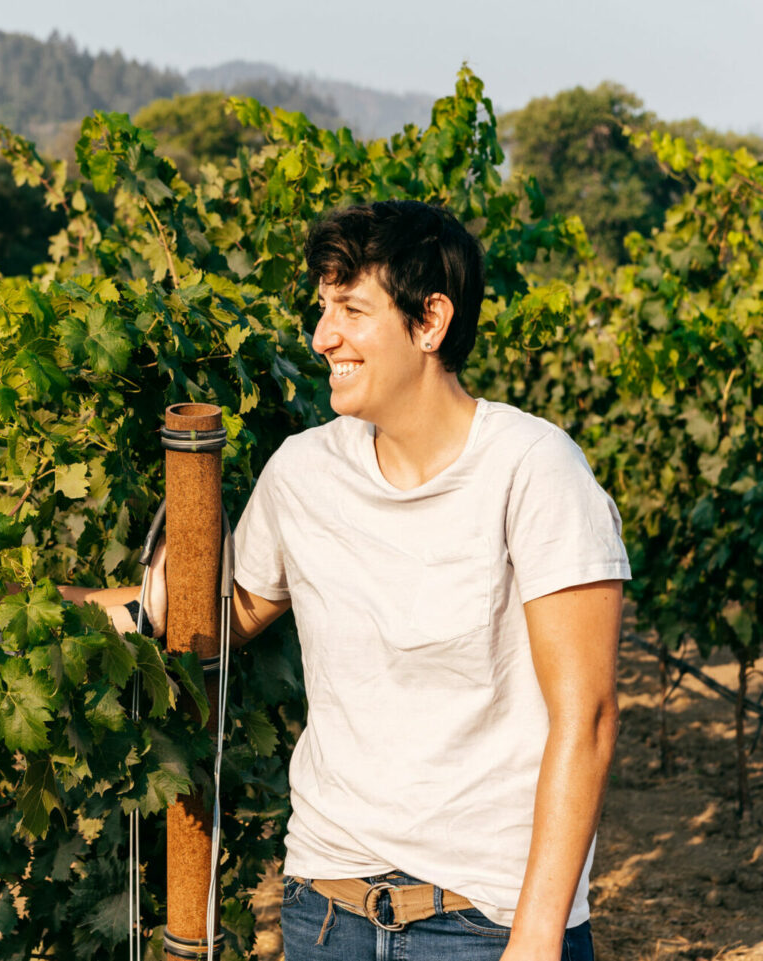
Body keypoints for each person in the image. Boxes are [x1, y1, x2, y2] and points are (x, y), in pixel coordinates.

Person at [89, 201, 627, 960]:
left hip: (486, 922)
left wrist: (536, 938)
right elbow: (213, 616)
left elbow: (590, 718)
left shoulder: (533, 470)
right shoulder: (305, 470)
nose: (322, 336)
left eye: (351, 308)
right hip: (326, 912)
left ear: (430, 321)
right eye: (322, 308)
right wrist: (30, 619)